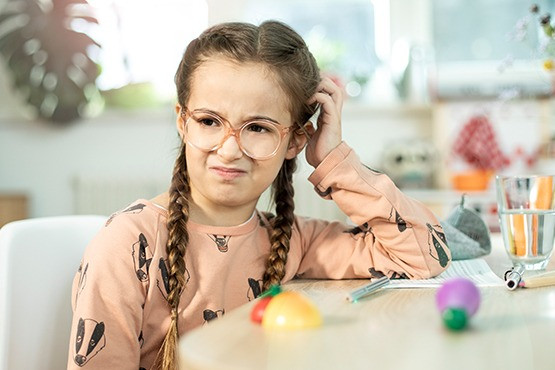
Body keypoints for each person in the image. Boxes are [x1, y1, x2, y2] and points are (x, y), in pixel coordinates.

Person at [67, 20, 450, 370]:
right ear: (183, 122)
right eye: (209, 121)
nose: (230, 148)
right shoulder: (127, 245)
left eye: (258, 128)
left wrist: (334, 159)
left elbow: (424, 252)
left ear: (296, 140)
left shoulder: (292, 239)